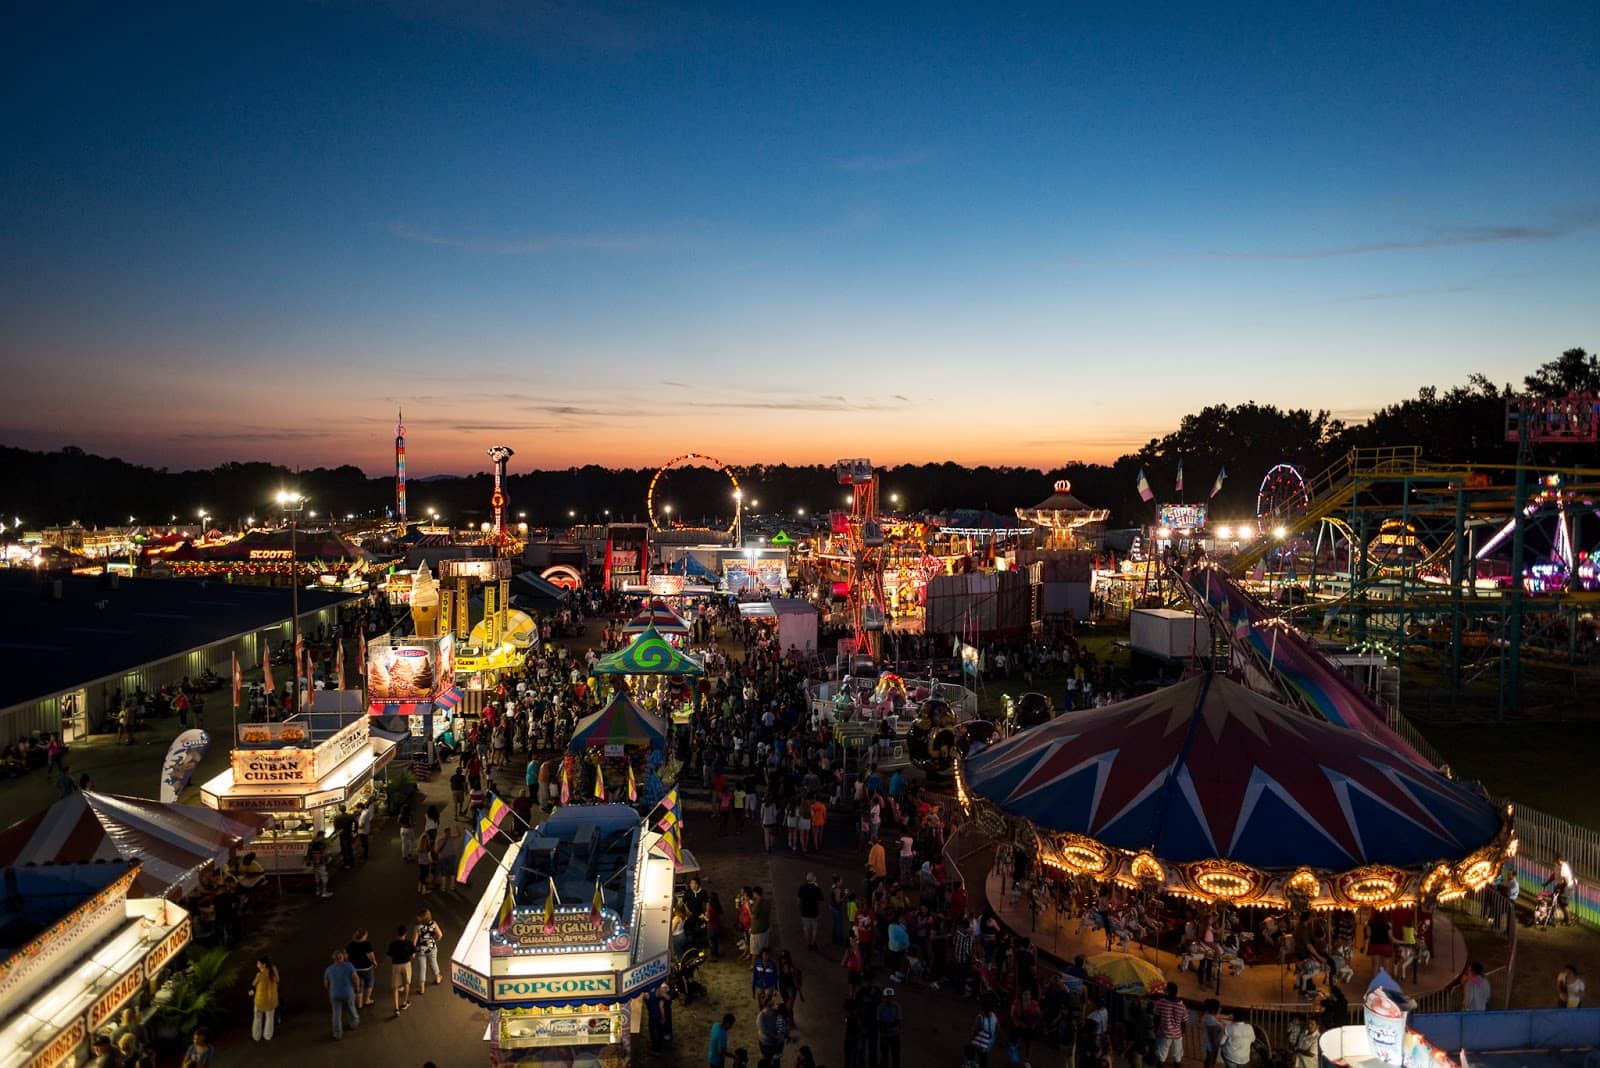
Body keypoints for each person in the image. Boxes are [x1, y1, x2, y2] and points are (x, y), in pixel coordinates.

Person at [323, 948, 362, 1039]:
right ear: (343, 957)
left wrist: (331, 990)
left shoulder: (329, 969)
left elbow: (326, 983)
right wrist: (357, 988)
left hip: (334, 994)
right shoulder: (349, 966)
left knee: (336, 1014)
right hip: (348, 992)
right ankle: (354, 1023)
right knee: (351, 1008)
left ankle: (337, 1034)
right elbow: (356, 978)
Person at [1153, 981, 1186, 1065]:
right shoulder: (1182, 1006)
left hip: (1164, 1033)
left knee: (1161, 1057)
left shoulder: (1161, 1003)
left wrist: (1155, 1029)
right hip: (1177, 1035)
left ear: (1168, 991)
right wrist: (1182, 1033)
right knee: (1177, 1058)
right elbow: (1183, 1022)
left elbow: (1156, 1017)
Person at [388, 923, 415, 1017]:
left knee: (395, 987)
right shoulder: (409, 943)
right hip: (406, 964)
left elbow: (389, 954)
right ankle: (405, 1002)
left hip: (396, 965)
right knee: (406, 983)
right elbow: (413, 953)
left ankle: (396, 1009)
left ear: (397, 933)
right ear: (405, 933)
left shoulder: (392, 944)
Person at [250, 955, 280, 1042]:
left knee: (257, 1018)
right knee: (269, 1018)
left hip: (260, 1001)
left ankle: (256, 1036)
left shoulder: (259, 975)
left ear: (264, 964)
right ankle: (268, 1035)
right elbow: (277, 980)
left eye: (258, 963)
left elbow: (253, 985)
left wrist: (250, 992)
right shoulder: (273, 972)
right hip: (271, 1000)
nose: (257, 965)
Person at [413, 909, 444, 992]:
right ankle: (438, 978)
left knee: (422, 968)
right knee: (433, 962)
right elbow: (440, 935)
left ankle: (422, 989)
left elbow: (414, 941)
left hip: (421, 950)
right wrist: (434, 940)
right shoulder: (433, 924)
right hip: (431, 948)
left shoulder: (417, 927)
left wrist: (413, 951)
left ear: (421, 918)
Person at [347, 927, 377, 1008]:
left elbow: (347, 957)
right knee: (369, 984)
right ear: (363, 936)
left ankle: (359, 1004)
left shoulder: (350, 944)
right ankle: (366, 1000)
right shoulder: (367, 944)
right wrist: (374, 962)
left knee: (359, 986)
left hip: (355, 969)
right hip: (366, 968)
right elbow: (371, 956)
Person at [877, 986, 903, 1068]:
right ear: (884, 997)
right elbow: (879, 1022)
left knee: (895, 1056)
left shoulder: (896, 1006)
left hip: (894, 1035)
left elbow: (898, 1021)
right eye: (887, 997)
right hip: (885, 1035)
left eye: (890, 997)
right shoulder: (880, 1007)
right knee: (884, 1056)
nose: (889, 999)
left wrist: (887, 1025)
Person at [970, 998, 1001, 1068]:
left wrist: (971, 1039)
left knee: (981, 1057)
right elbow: (998, 1027)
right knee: (983, 1056)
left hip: (982, 1041)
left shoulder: (980, 1017)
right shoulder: (994, 1015)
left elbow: (974, 1030)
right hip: (990, 1041)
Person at [798, 873, 824, 950]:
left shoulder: (802, 887)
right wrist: (817, 887)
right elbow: (821, 898)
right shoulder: (816, 888)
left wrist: (800, 908)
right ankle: (812, 943)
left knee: (806, 928)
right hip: (814, 912)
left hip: (805, 912)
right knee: (814, 929)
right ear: (813, 879)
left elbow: (798, 900)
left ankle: (808, 944)